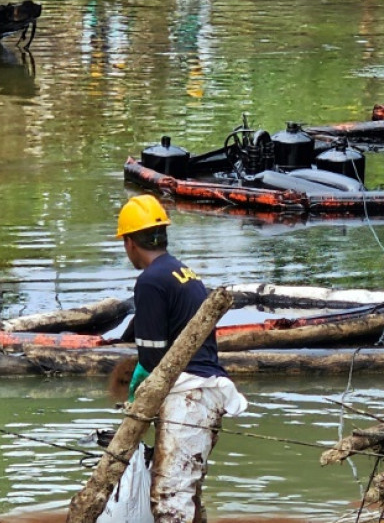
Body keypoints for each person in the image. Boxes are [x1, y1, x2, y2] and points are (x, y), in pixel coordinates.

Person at [116, 194, 247, 523]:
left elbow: (151, 356)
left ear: (130, 242)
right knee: (187, 495)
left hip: (187, 396)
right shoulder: (183, 273)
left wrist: (135, 393)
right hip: (206, 391)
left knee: (171, 501)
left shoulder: (150, 281)